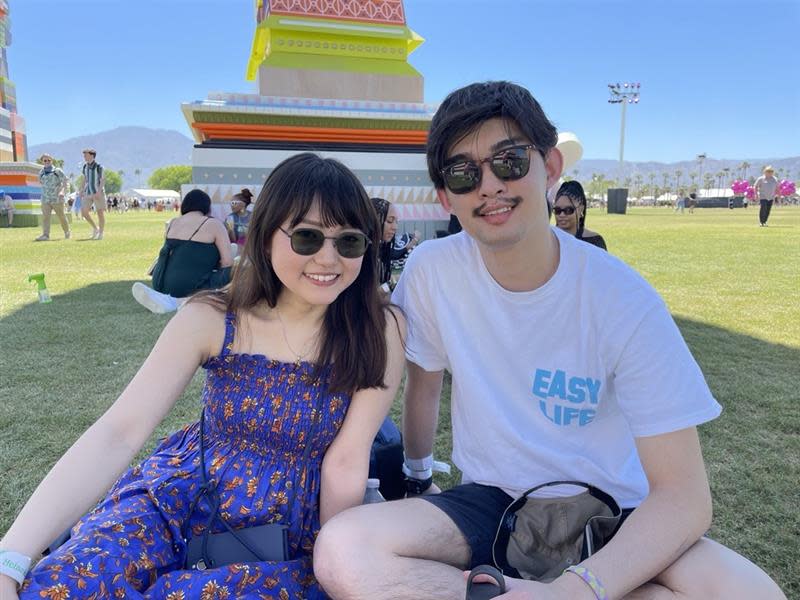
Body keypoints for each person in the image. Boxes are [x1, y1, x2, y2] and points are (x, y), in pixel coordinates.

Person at [313, 81, 786, 600]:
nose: (489, 185)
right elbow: (423, 383)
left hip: (611, 513)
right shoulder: (432, 270)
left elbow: (685, 499)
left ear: (551, 168)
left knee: (750, 592)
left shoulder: (623, 299)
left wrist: (577, 590)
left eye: (509, 160)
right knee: (342, 551)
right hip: (492, 505)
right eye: (463, 173)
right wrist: (420, 476)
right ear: (446, 196)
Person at [0, 153, 405, 599]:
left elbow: (347, 458)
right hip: (179, 494)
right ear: (267, 234)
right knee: (65, 584)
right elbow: (119, 431)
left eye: (349, 242)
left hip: (290, 529)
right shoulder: (212, 316)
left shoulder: (379, 329)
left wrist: (334, 567)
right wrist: (11, 558)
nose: (329, 259)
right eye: (308, 237)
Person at [131, 189, 234, 314]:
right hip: (191, 286)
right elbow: (227, 262)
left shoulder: (172, 222)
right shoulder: (214, 224)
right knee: (236, 270)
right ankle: (179, 301)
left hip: (160, 282)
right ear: (207, 206)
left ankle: (166, 298)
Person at [370, 197, 418, 289]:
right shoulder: (361, 256)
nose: (395, 227)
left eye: (396, 222)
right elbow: (372, 296)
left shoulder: (381, 250)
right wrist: (393, 282)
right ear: (373, 220)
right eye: (390, 221)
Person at [553, 180, 607, 250]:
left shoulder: (595, 242)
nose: (562, 215)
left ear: (581, 209)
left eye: (568, 210)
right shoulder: (548, 240)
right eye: (558, 210)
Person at [35, 154, 71, 241]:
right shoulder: (41, 173)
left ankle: (67, 232)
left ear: (52, 161)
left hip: (57, 199)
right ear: (42, 162)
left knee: (61, 216)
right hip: (45, 199)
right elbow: (41, 183)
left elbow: (65, 181)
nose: (47, 162)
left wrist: (63, 192)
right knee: (45, 217)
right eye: (45, 160)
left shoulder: (57, 171)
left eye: (49, 160)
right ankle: (45, 235)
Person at [80, 148, 106, 239]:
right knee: (84, 211)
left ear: (92, 155)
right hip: (88, 192)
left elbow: (102, 180)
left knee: (100, 213)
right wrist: (81, 190)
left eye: (85, 155)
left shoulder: (99, 167)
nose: (84, 157)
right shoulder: (85, 167)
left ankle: (101, 233)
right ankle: (95, 228)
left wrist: (99, 192)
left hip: (97, 192)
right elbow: (84, 179)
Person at [225, 188, 253, 252]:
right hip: (236, 249)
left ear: (243, 204)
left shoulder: (253, 217)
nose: (231, 206)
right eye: (231, 203)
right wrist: (230, 230)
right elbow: (233, 241)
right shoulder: (230, 218)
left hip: (250, 248)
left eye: (234, 203)